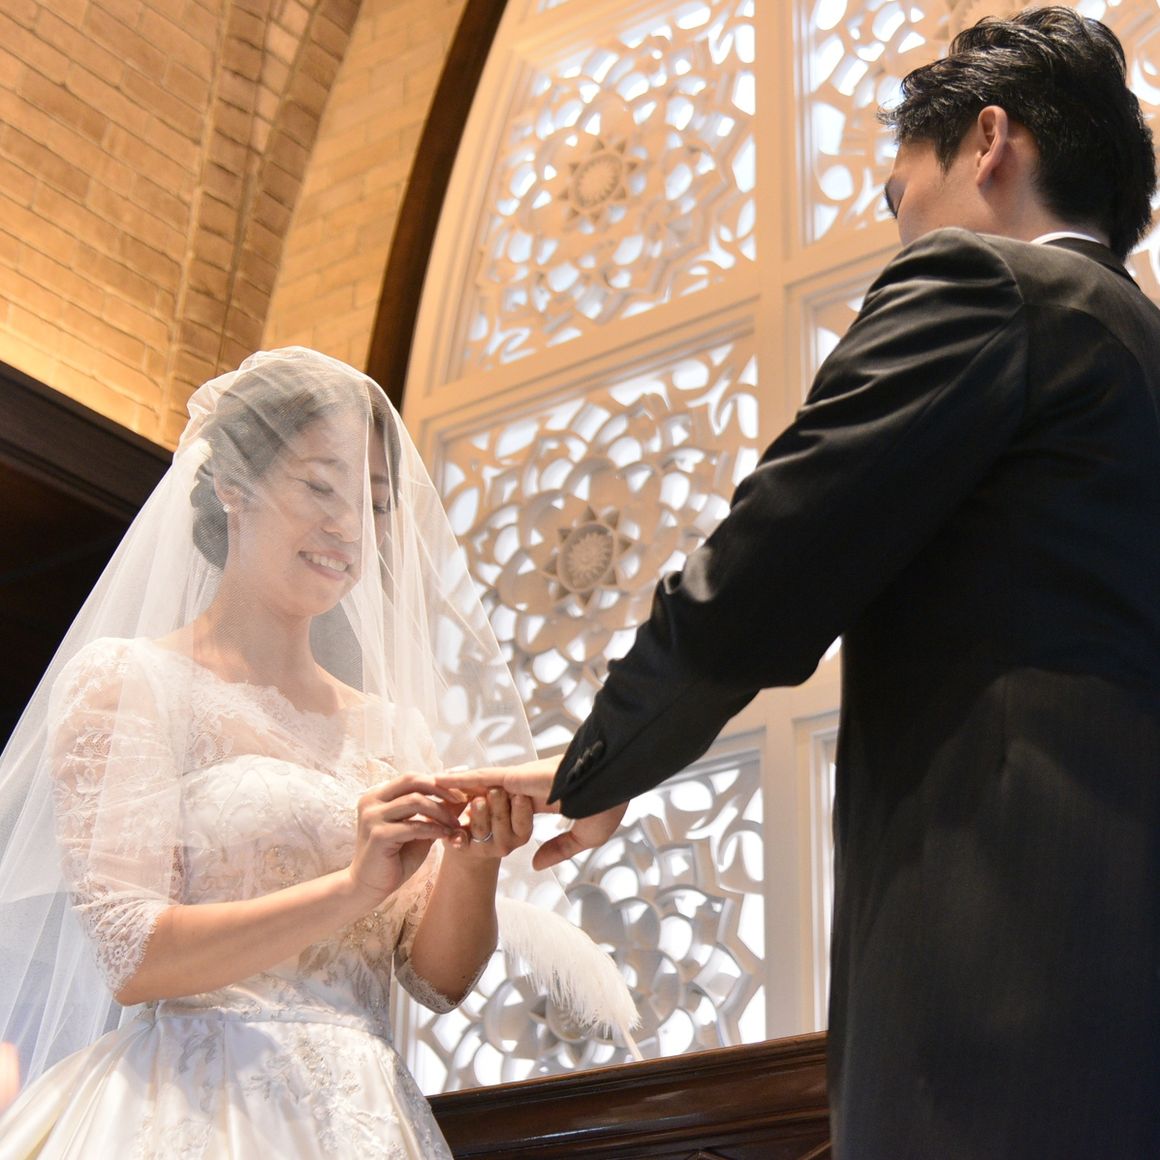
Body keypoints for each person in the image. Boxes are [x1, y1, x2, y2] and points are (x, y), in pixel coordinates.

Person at [442, 9, 1160, 1157]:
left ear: (987, 142)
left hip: (1001, 957)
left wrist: (600, 762)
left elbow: (768, 564)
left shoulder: (982, 283)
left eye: (896, 192)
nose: (899, 227)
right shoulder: (1133, 349)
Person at [0, 347, 635, 1158]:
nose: (350, 526)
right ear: (234, 484)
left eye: (374, 503)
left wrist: (476, 861)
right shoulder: (129, 682)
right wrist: (351, 886)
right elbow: (133, 956)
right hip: (191, 1100)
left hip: (364, 1112)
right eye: (320, 486)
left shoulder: (392, 729)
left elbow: (436, 981)